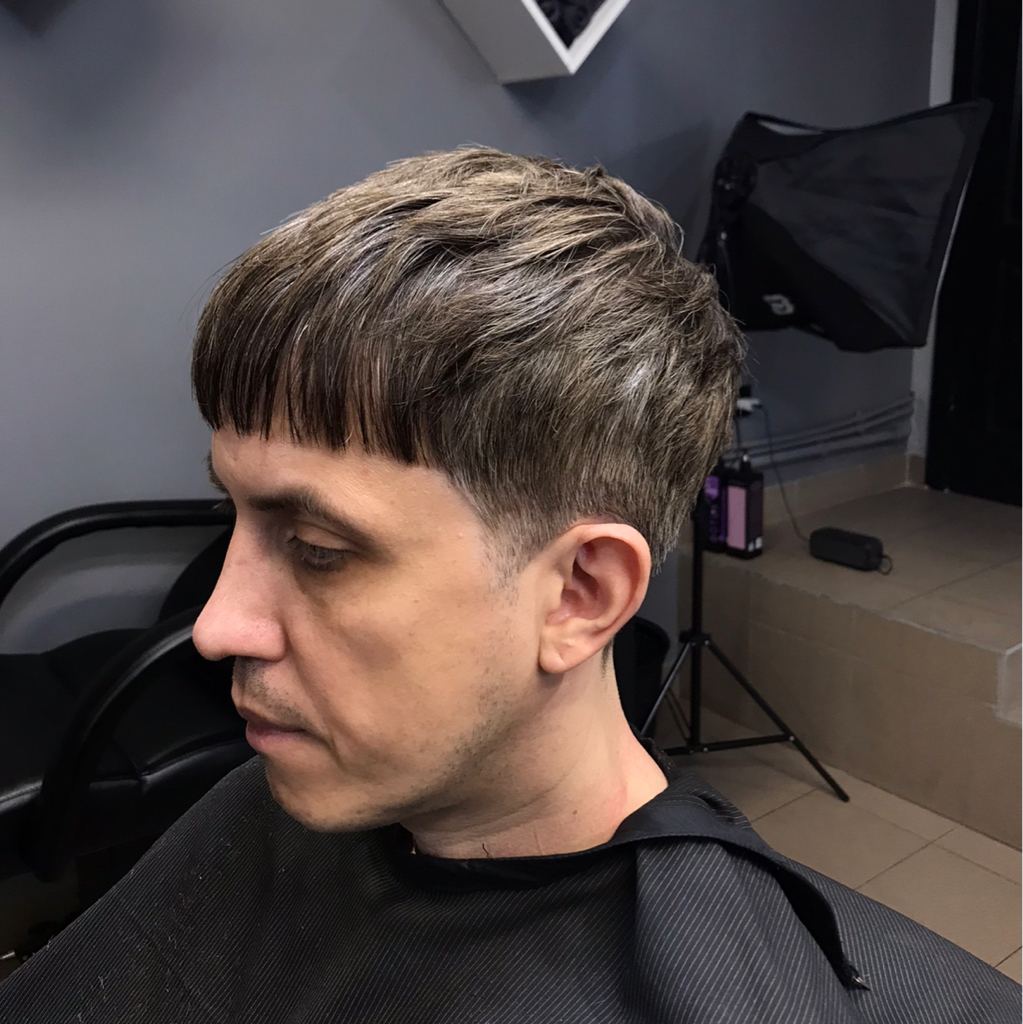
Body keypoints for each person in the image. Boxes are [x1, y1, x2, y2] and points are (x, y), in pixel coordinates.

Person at [0, 148, 1017, 1023]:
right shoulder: (259, 812)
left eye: (316, 547)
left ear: (579, 594)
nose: (217, 626)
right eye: (237, 512)